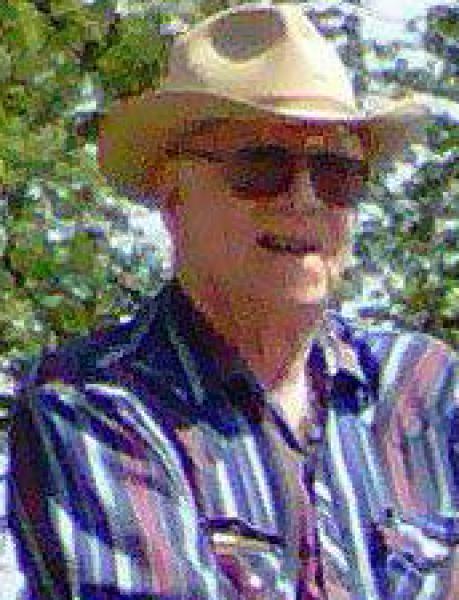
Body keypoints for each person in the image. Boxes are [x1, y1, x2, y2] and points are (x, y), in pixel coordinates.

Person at [5, 3, 459, 599]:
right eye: (262, 166)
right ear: (174, 197)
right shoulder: (93, 405)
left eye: (336, 173)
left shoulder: (424, 387)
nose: (304, 199)